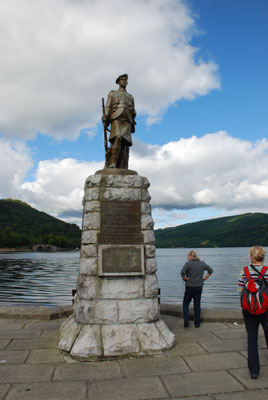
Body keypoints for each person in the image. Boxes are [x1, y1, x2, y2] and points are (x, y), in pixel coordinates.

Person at [237, 245, 268, 379]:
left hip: (249, 310)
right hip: (266, 309)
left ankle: (254, 371)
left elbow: (240, 290)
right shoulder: (267, 271)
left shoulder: (245, 271)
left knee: (252, 338)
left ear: (251, 256)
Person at [102, 74, 136, 169]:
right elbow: (108, 106)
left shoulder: (130, 97)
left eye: (125, 80)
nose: (124, 81)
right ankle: (112, 163)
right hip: (116, 117)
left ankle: (122, 166)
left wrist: (133, 114)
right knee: (118, 137)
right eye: (122, 79)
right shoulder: (113, 93)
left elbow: (133, 109)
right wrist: (106, 116)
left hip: (127, 120)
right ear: (118, 82)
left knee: (125, 144)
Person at [181, 250, 213, 328]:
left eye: (188, 256)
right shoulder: (202, 263)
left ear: (191, 256)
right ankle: (197, 323)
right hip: (199, 286)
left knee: (186, 303)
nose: (187, 258)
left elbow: (182, 272)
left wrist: (184, 278)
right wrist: (204, 278)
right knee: (197, 305)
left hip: (189, 286)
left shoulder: (188, 264)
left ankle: (186, 319)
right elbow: (210, 270)